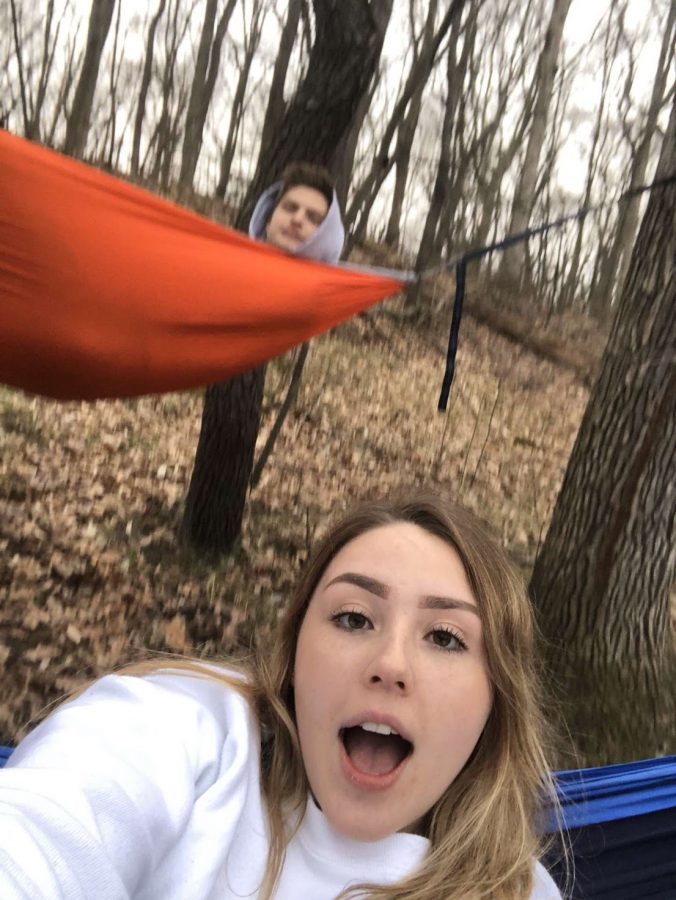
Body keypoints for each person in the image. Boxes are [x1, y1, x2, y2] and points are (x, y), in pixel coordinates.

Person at [0, 492, 564, 899]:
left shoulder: (521, 892)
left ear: (496, 701)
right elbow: (43, 830)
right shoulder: (195, 735)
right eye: (352, 617)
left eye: (445, 637)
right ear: (292, 657)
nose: (390, 664)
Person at [248, 161, 345, 264]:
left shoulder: (336, 280)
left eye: (313, 218)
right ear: (268, 220)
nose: (297, 219)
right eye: (289, 208)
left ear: (326, 236)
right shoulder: (232, 264)